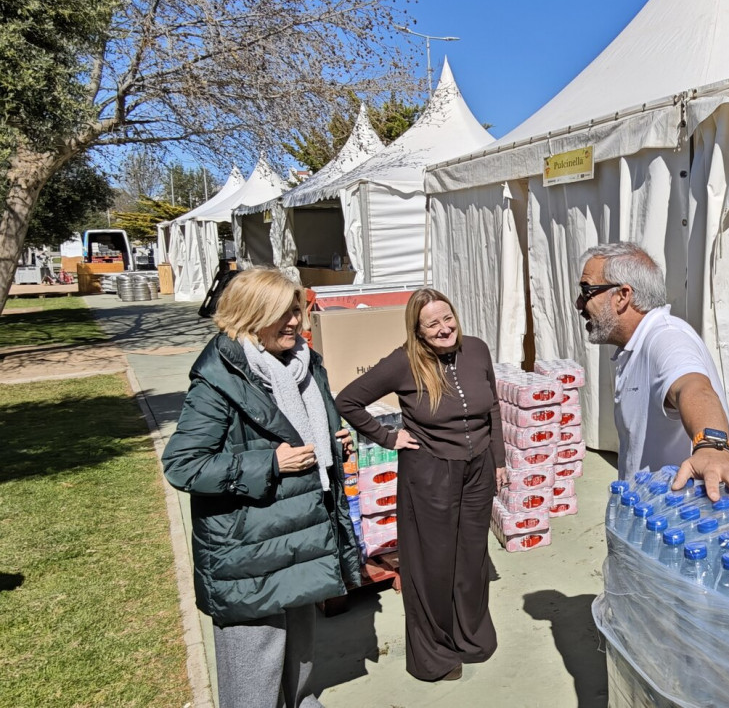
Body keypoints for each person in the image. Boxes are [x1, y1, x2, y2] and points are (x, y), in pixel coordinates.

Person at [162, 269, 361, 708]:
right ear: (250, 315)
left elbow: (302, 433)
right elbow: (183, 465)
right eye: (282, 313)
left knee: (299, 666)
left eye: (296, 310)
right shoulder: (219, 379)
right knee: (254, 675)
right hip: (248, 553)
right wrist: (270, 463)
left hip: (302, 536)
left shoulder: (304, 364)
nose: (295, 322)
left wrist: (333, 442)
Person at [335, 288, 506, 683]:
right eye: (432, 324)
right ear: (417, 330)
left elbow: (493, 408)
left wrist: (498, 459)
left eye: (448, 318)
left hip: (478, 469)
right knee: (432, 564)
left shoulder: (477, 350)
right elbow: (348, 401)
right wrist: (387, 436)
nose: (444, 328)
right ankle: (434, 656)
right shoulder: (403, 362)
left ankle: (471, 637)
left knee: (472, 557)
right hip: (430, 473)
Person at [575, 241, 729, 505]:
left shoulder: (667, 337)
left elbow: (694, 387)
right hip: (652, 518)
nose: (579, 303)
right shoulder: (636, 344)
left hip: (683, 523)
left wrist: (712, 445)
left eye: (586, 291)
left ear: (623, 295)